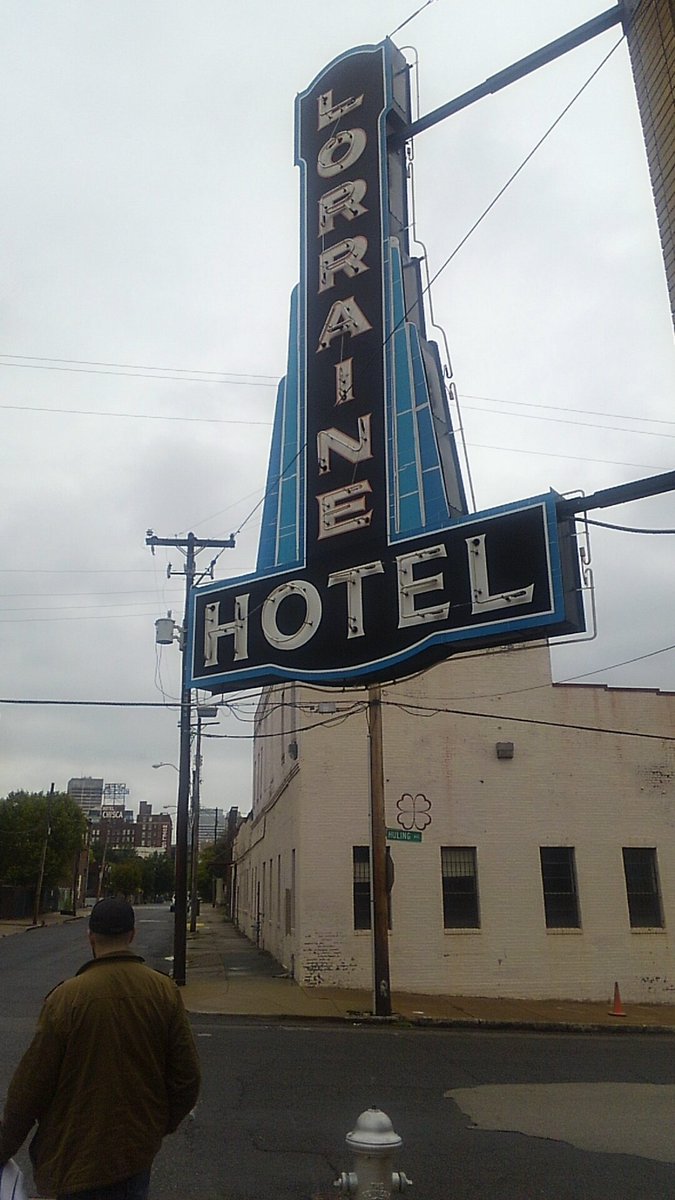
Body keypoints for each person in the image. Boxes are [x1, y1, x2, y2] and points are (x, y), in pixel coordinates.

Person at [0, 897, 201, 1200]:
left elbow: (30, 1089)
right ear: (132, 935)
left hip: (76, 1162)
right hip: (135, 1158)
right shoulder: (164, 992)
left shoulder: (67, 999)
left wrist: (3, 1147)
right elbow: (187, 1078)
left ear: (90, 936)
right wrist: (156, 1126)